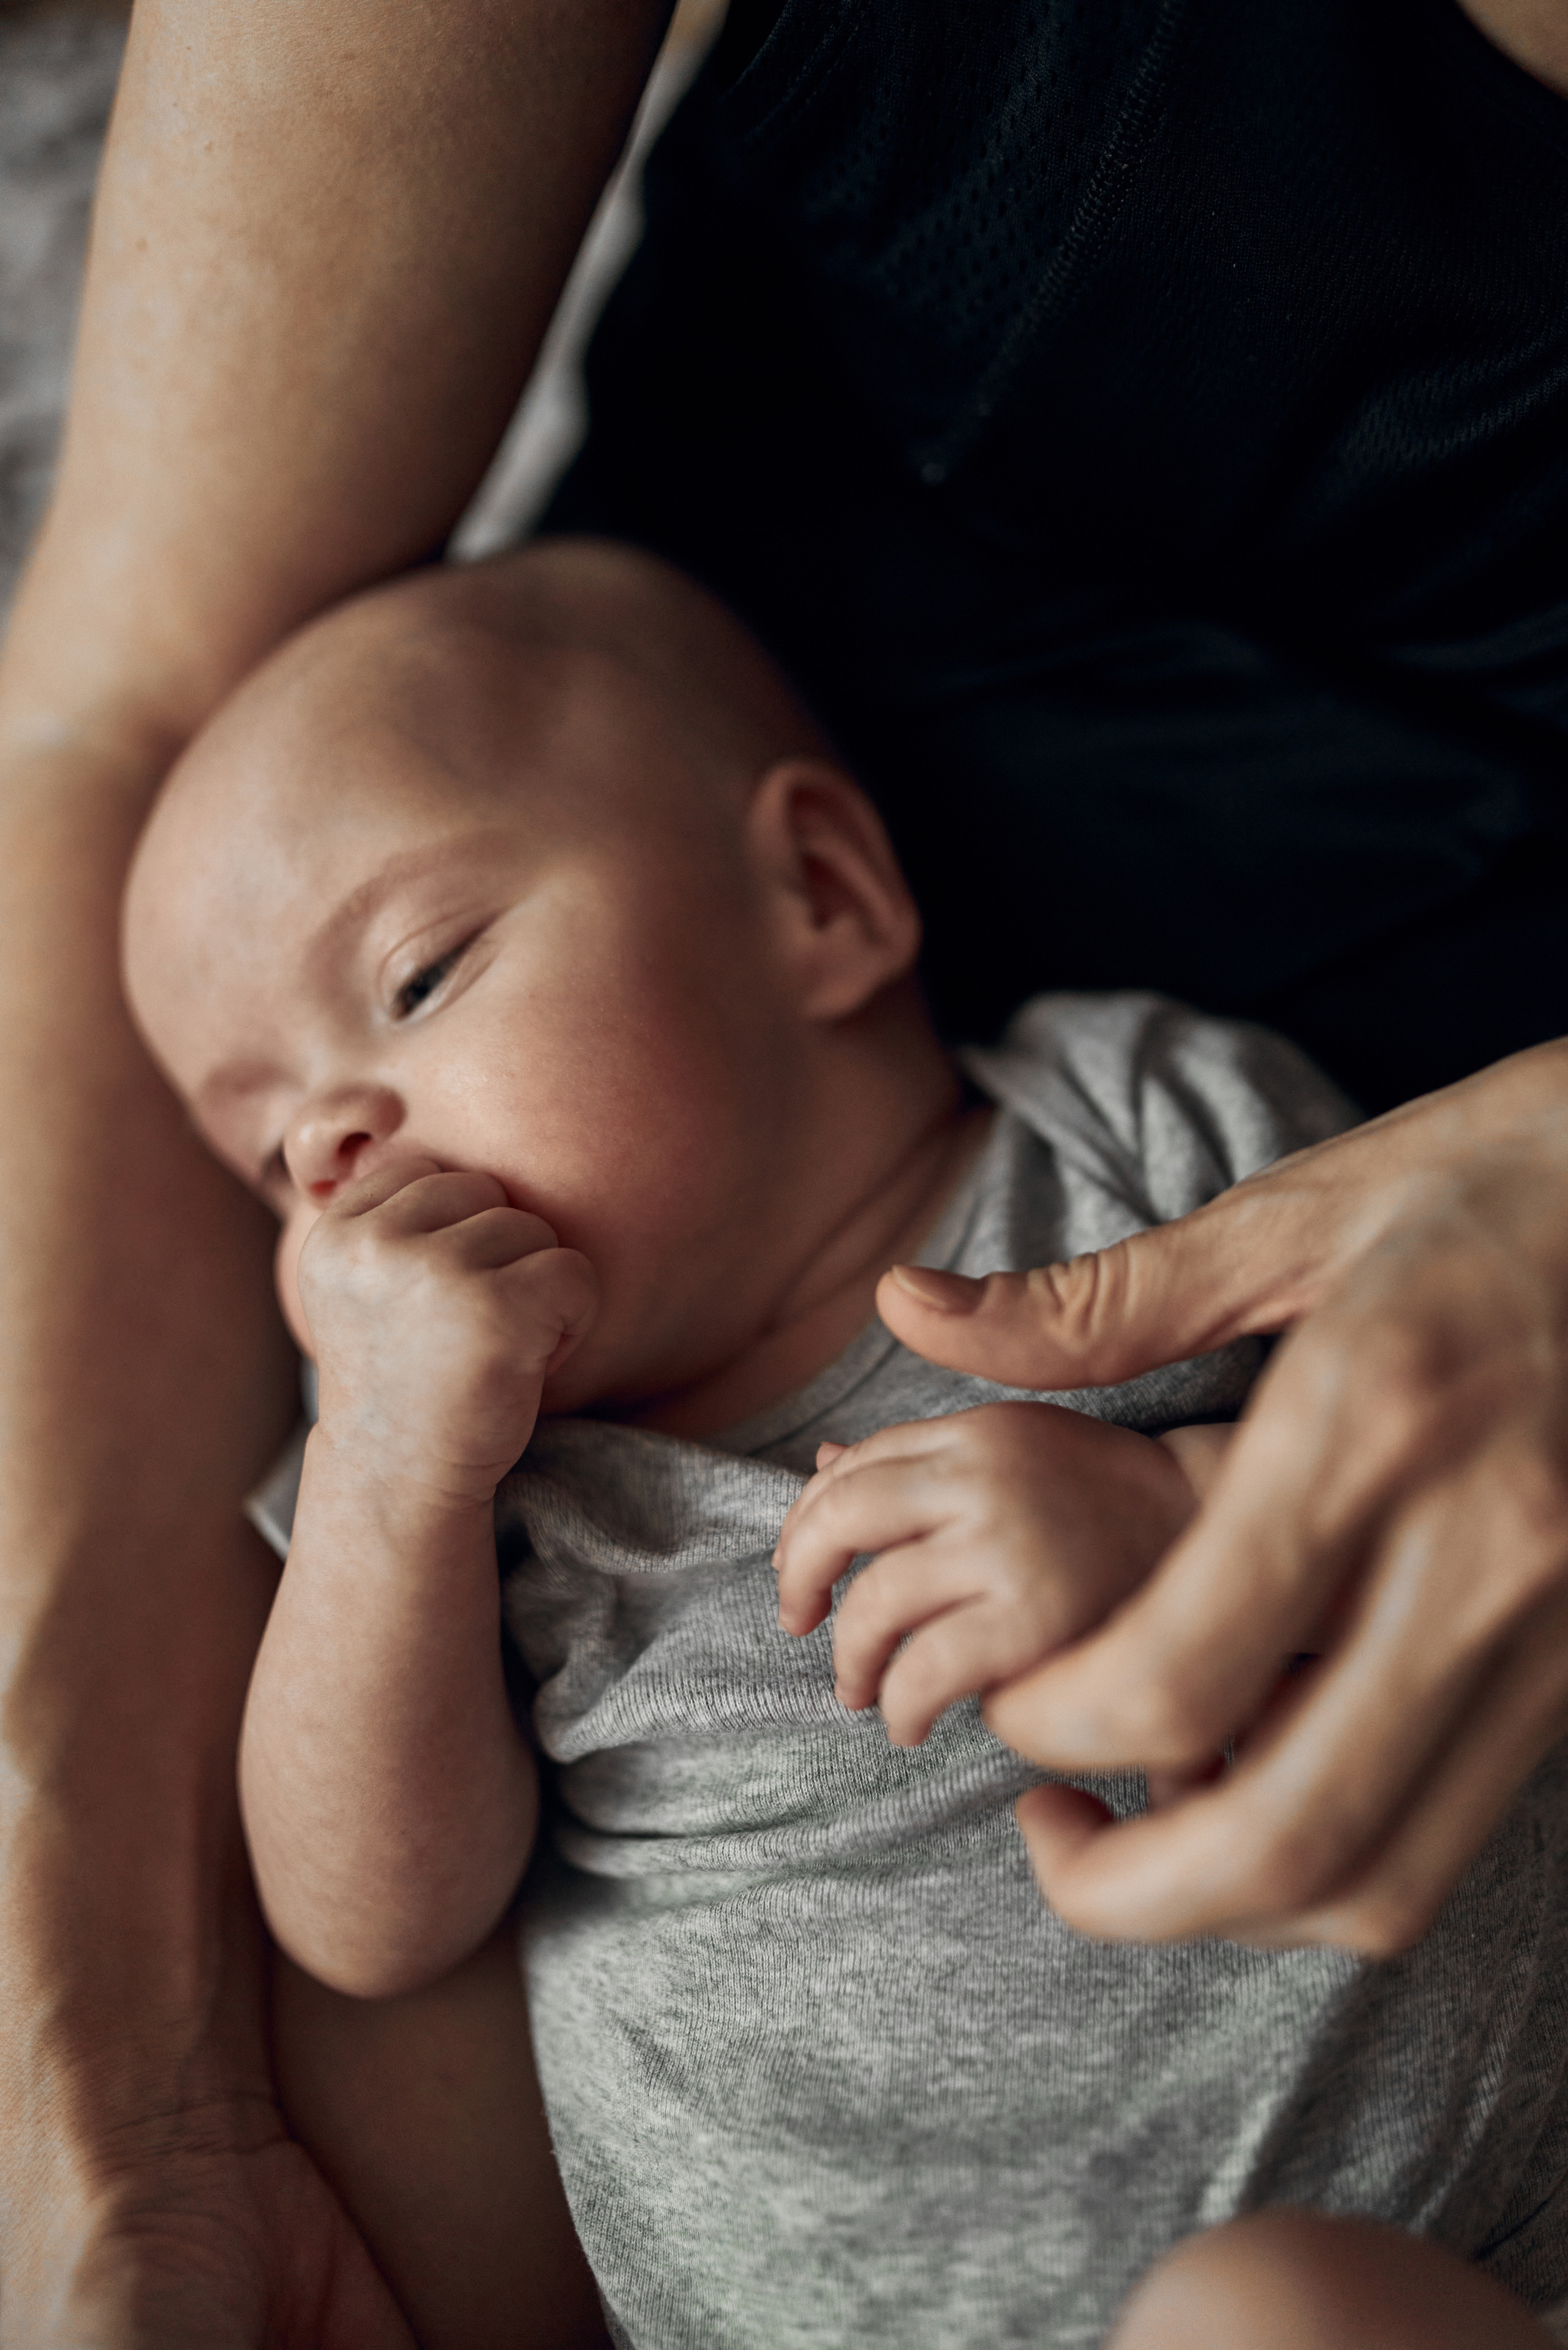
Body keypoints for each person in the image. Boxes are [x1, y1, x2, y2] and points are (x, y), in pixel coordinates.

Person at [1, 1, 1566, 2338]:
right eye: (269, 1146)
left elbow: (1432, 1445)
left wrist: (1175, 1525)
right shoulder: (499, 1497)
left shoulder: (1138, 1127)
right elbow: (370, 1906)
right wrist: (395, 1499)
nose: (327, 1144)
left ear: (823, 902)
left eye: (416, 983)